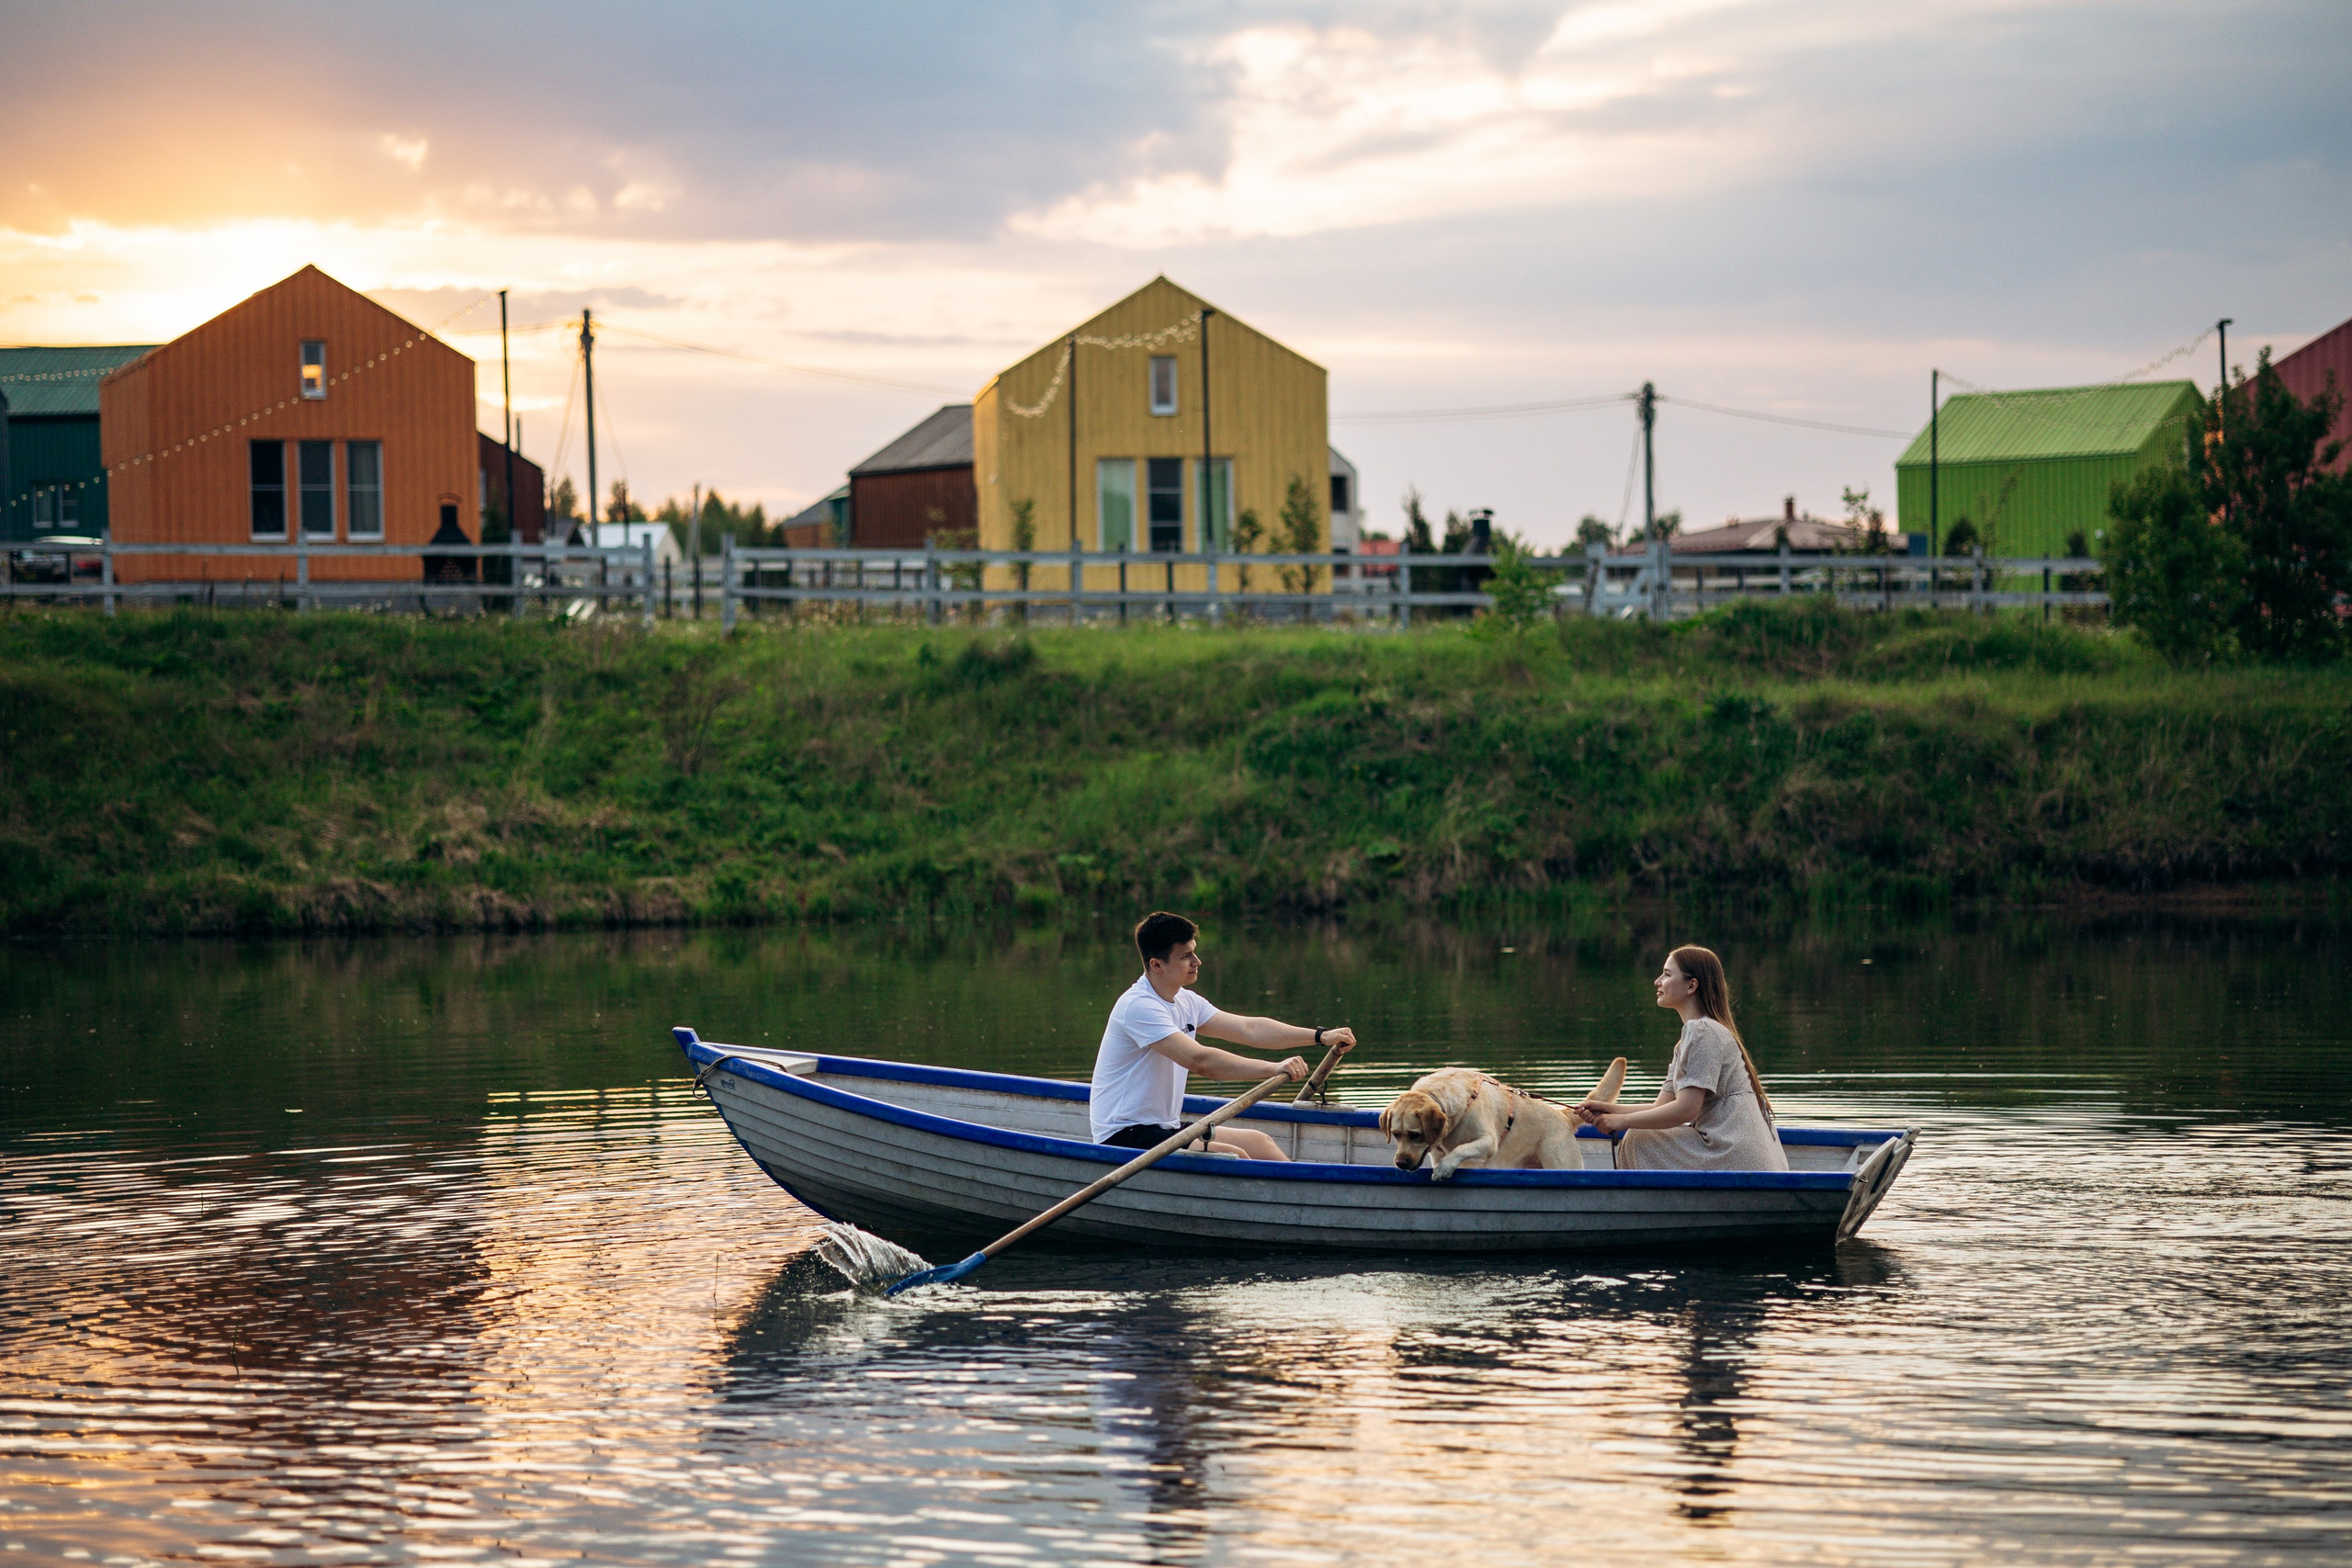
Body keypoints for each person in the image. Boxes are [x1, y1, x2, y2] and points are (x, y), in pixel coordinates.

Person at [1090, 911, 1356, 1160]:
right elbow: (1201, 1061)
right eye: (1185, 957)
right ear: (1157, 965)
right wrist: (1274, 1068)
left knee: (1260, 1142)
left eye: (1194, 952)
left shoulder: (1186, 1001)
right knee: (1234, 1155)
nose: (1197, 962)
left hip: (1163, 1128)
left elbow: (1249, 1029)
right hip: (1124, 1135)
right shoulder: (1139, 1007)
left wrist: (1320, 1036)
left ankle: (1304, 1204)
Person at [1576, 944, 1788, 1172]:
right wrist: (1608, 1109)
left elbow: (1686, 1110)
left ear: (1692, 985)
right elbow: (1662, 1107)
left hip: (1733, 1154)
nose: (1658, 981)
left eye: (1667, 974)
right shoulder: (1693, 1037)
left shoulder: (1702, 1031)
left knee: (1639, 1138)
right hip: (1740, 1153)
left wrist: (1622, 1122)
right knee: (1642, 1132)